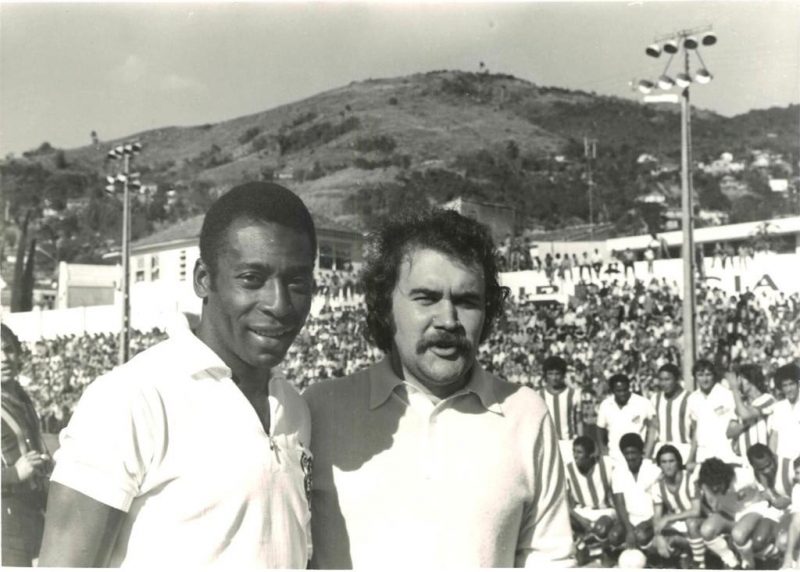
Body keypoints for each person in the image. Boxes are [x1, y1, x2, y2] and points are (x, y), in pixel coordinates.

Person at [38, 182, 317, 567]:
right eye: (252, 279)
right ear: (203, 279)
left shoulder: (295, 409)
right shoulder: (131, 397)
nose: (279, 304)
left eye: (297, 282)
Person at [303, 208, 573, 568]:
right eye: (426, 298)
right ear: (385, 306)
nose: (448, 320)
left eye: (467, 301)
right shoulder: (321, 410)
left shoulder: (524, 414)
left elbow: (552, 559)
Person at [1, 323, 51, 566]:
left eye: (8, 350)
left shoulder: (21, 396)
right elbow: (17, 469)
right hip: (6, 518)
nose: (3, 358)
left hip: (34, 509)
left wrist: (44, 460)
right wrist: (14, 473)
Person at [565, 436, 619, 566]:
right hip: (582, 512)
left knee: (601, 528)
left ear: (590, 454)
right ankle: (582, 547)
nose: (575, 455)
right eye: (574, 451)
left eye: (579, 452)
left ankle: (606, 551)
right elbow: (564, 503)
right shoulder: (568, 469)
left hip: (605, 511)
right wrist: (581, 520)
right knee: (563, 518)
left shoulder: (607, 464)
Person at [650, 444, 705, 569]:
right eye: (664, 462)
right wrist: (658, 536)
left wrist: (669, 518)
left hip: (699, 523)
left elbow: (696, 511)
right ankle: (682, 557)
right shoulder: (657, 486)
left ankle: (700, 564)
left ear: (678, 462)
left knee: (690, 523)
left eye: (671, 461)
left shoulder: (690, 479)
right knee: (655, 543)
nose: (668, 466)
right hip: (679, 525)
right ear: (659, 465)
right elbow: (657, 516)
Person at [610, 433, 659, 555]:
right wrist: (629, 529)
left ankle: (652, 556)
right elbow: (620, 503)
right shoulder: (618, 472)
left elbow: (661, 502)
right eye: (627, 453)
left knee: (641, 536)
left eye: (634, 453)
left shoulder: (653, 469)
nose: (630, 457)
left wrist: (649, 522)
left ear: (641, 453)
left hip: (650, 519)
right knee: (613, 536)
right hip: (629, 519)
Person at [686, 359, 739, 469]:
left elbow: (735, 425)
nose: (705, 379)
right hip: (703, 454)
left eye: (708, 375)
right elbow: (696, 431)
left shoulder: (727, 395)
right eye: (700, 375)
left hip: (725, 453)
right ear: (695, 377)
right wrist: (690, 458)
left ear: (714, 376)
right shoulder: (692, 398)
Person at [596, 373, 657, 462]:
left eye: (625, 390)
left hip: (637, 458)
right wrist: (604, 450)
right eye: (619, 391)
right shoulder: (605, 405)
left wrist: (647, 452)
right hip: (613, 457)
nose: (623, 394)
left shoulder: (643, 403)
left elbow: (653, 427)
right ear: (612, 390)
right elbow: (600, 428)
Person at [727, 364, 776, 460]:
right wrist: (745, 424)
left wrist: (734, 389)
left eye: (740, 378)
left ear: (750, 379)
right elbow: (729, 433)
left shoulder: (768, 399)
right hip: (743, 459)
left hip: (761, 459)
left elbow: (745, 415)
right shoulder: (741, 404)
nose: (738, 383)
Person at [540, 355, 583, 464]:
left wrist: (581, 442)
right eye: (550, 374)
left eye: (557, 374)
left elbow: (578, 421)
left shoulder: (574, 394)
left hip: (569, 443)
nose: (554, 378)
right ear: (545, 375)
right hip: (547, 444)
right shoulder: (538, 395)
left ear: (563, 375)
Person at [650, 363, 692, 462]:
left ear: (677, 379)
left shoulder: (690, 398)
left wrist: (692, 457)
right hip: (661, 451)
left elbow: (696, 430)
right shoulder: (655, 399)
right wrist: (648, 456)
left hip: (684, 450)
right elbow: (653, 429)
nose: (663, 384)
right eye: (661, 380)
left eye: (667, 379)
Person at [769, 363, 800, 461]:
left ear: (798, 383)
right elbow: (774, 436)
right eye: (785, 385)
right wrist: (772, 460)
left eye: (791, 384)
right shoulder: (778, 407)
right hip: (782, 462)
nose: (789, 389)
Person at [781, 456, 800, 569]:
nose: (796, 477)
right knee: (782, 541)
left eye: (798, 473)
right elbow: (796, 523)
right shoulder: (797, 488)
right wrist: (788, 556)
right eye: (796, 473)